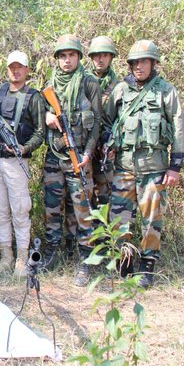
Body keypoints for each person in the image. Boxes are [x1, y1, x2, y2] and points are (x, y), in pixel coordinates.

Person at [103, 40, 184, 288]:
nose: (139, 66)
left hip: (155, 168)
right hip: (124, 167)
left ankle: (147, 266)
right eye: (135, 62)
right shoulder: (120, 90)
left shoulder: (165, 91)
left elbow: (178, 127)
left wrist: (175, 166)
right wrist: (108, 143)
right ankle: (125, 263)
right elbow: (106, 121)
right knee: (119, 218)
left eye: (144, 61)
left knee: (152, 220)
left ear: (153, 63)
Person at [41, 34, 102, 286]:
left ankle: (86, 260)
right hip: (55, 156)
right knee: (51, 207)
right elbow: (39, 114)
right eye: (63, 56)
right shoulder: (50, 84)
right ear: (57, 59)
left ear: (79, 57)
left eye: (72, 55)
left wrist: (87, 153)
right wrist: (47, 116)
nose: (67, 60)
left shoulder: (89, 84)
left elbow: (97, 122)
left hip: (79, 158)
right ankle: (51, 253)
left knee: (82, 210)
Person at [0, 50, 45, 277]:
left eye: (20, 67)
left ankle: (21, 257)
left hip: (17, 162)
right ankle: (5, 256)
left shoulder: (34, 97)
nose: (16, 71)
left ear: (27, 70)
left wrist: (25, 148)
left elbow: (40, 132)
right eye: (12, 67)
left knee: (20, 210)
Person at [64, 36, 120, 254]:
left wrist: (113, 143)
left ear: (111, 58)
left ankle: (105, 245)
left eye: (105, 55)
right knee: (80, 198)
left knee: (104, 197)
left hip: (105, 151)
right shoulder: (81, 82)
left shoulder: (119, 86)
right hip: (85, 148)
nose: (100, 60)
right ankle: (75, 244)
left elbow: (121, 119)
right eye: (96, 56)